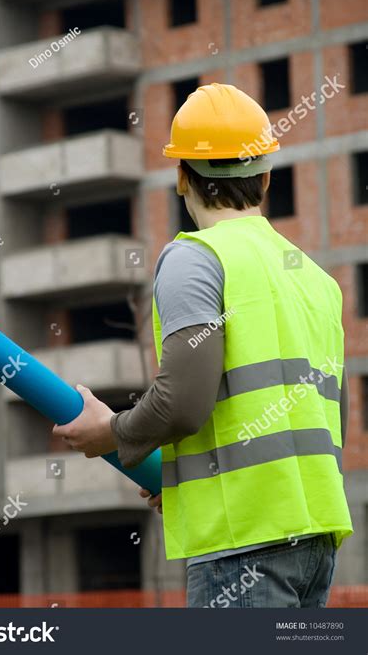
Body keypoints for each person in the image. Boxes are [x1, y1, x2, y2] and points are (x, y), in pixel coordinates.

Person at [52, 83, 353, 608]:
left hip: (243, 546)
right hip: (317, 542)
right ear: (265, 175)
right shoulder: (314, 277)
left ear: (181, 177)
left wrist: (112, 432)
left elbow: (182, 403)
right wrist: (186, 480)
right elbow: (322, 421)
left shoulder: (195, 259)